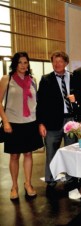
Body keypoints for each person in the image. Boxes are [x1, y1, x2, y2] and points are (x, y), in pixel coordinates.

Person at [0, 52, 43, 200]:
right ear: (15, 64)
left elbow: (36, 103)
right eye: (20, 62)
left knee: (29, 154)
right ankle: (14, 186)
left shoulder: (33, 80)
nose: (23, 65)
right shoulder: (7, 79)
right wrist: (5, 121)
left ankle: (28, 184)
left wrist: (39, 123)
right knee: (14, 156)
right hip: (13, 124)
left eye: (26, 62)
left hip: (30, 123)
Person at [37, 51, 76, 188]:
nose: (57, 64)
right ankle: (51, 178)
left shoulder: (73, 77)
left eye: (60, 61)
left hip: (71, 121)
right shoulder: (45, 79)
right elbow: (40, 103)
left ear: (66, 63)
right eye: (54, 61)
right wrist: (41, 123)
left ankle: (71, 176)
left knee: (71, 150)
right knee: (51, 152)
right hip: (52, 122)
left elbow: (80, 97)